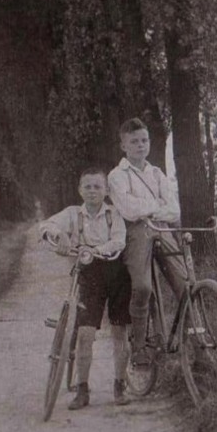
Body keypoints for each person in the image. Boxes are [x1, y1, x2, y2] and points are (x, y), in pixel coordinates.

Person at [39, 167, 132, 409]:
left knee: (120, 331)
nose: (92, 191)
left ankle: (120, 384)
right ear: (80, 190)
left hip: (116, 272)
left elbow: (119, 240)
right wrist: (59, 236)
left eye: (97, 187)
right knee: (85, 334)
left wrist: (97, 250)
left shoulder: (114, 214)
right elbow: (46, 225)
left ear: (106, 191)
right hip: (90, 276)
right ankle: (82, 389)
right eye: (87, 187)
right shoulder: (72, 214)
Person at [107, 117, 188, 367]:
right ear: (123, 146)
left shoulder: (156, 173)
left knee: (185, 285)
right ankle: (139, 347)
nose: (140, 146)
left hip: (162, 230)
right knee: (142, 288)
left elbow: (174, 211)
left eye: (144, 140)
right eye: (134, 142)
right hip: (136, 234)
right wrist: (157, 207)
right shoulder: (117, 175)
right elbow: (130, 211)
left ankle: (196, 342)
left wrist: (151, 210)